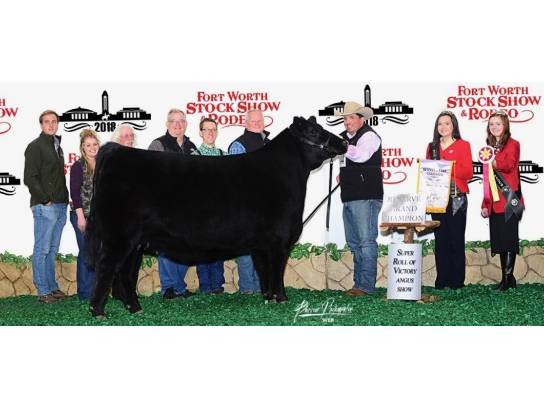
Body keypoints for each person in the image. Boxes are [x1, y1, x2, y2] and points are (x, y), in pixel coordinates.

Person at [148, 108, 196, 299]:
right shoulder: (157, 145)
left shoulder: (192, 146)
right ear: (167, 124)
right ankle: (171, 287)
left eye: (181, 121)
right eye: (173, 121)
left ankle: (176, 286)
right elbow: (151, 176)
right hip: (164, 205)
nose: (177, 125)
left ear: (186, 124)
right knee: (166, 245)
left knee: (187, 246)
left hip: (189, 206)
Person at [336, 101, 383, 297]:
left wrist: (342, 146)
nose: (347, 122)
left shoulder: (369, 136)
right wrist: (343, 175)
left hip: (366, 194)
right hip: (350, 194)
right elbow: (345, 161)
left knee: (365, 240)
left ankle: (365, 286)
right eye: (345, 118)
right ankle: (359, 284)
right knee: (355, 242)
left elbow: (362, 156)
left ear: (361, 119)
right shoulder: (344, 138)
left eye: (351, 118)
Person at [23, 110, 69, 304]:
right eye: (47, 122)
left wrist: (64, 199)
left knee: (51, 249)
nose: (51, 125)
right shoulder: (35, 146)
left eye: (54, 121)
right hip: (45, 206)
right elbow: (29, 177)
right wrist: (45, 200)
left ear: (58, 124)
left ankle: (51, 287)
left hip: (60, 204)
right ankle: (43, 291)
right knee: (42, 249)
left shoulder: (57, 145)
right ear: (41, 125)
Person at [426, 110, 473, 289]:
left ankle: (456, 281)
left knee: (456, 239)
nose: (443, 127)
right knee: (441, 241)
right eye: (440, 124)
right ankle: (442, 279)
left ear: (453, 125)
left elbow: (468, 172)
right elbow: (428, 173)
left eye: (447, 123)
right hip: (437, 199)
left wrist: (446, 167)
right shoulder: (432, 147)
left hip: (457, 198)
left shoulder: (463, 145)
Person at [228, 109, 270, 294]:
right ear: (246, 123)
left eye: (260, 120)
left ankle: (262, 286)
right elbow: (235, 178)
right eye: (253, 121)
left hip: (266, 207)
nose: (257, 123)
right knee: (246, 247)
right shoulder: (238, 145)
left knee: (264, 246)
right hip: (244, 206)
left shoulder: (269, 143)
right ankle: (247, 288)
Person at [481, 110, 523, 291]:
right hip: (494, 201)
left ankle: (507, 279)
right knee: (500, 240)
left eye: (498, 123)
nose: (495, 127)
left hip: (509, 198)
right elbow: (486, 181)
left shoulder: (513, 144)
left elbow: (509, 165)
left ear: (505, 125)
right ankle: (508, 279)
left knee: (509, 239)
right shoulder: (488, 147)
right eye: (491, 124)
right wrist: (485, 203)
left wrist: (493, 162)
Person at [191, 118, 226, 294]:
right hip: (201, 212)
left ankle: (217, 285)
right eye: (207, 129)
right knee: (202, 247)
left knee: (219, 247)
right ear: (201, 133)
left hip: (220, 211)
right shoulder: (193, 156)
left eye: (213, 129)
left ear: (217, 132)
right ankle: (205, 285)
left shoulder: (224, 155)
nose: (210, 133)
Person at [69, 129, 100, 300]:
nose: (92, 148)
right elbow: (75, 193)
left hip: (98, 218)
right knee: (86, 253)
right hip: (82, 216)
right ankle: (85, 293)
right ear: (82, 147)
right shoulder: (78, 166)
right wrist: (81, 217)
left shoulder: (102, 165)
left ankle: (95, 291)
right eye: (88, 145)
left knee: (96, 253)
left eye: (95, 144)